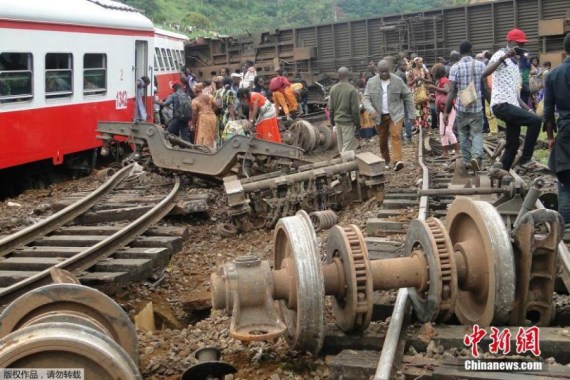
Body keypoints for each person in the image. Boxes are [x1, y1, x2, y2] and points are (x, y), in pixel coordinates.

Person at [483, 28, 542, 172]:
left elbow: (516, 95)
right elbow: (484, 73)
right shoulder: (500, 55)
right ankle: (526, 159)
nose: (520, 47)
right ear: (509, 42)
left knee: (513, 144)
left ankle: (502, 173)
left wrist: (529, 109)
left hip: (511, 104)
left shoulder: (517, 65)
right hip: (501, 104)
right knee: (535, 121)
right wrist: (504, 58)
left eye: (522, 44)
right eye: (518, 44)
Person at [364, 60, 416, 171]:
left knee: (395, 134)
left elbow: (408, 96)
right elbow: (366, 98)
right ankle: (386, 160)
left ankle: (397, 161)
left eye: (386, 71)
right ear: (377, 70)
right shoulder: (371, 82)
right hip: (379, 116)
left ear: (390, 70)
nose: (383, 74)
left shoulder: (397, 81)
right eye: (381, 72)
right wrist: (370, 109)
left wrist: (412, 114)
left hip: (395, 114)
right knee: (382, 139)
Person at [444, 40, 486, 171]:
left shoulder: (455, 67)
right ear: (471, 49)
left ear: (460, 52)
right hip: (477, 106)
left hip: (462, 107)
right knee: (477, 133)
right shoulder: (481, 65)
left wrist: (446, 111)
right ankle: (476, 157)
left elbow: (451, 91)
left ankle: (467, 161)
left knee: (463, 133)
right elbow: (486, 88)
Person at [545, 33, 570, 225]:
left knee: (565, 182)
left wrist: (550, 136)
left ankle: (566, 228)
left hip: (566, 131)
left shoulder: (553, 75)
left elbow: (548, 110)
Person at [328, 67, 361, 153]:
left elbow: (331, 108)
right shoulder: (352, 90)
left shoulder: (333, 89)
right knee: (347, 148)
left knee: (341, 145)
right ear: (348, 75)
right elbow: (355, 110)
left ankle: (342, 162)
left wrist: (332, 121)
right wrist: (357, 124)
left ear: (338, 76)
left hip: (337, 121)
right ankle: (345, 164)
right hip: (347, 122)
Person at [430, 63, 459, 158]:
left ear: (437, 72)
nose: (432, 73)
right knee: (442, 131)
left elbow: (447, 90)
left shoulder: (444, 80)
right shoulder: (438, 82)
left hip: (449, 109)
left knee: (448, 131)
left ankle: (457, 152)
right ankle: (445, 153)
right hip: (442, 110)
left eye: (433, 72)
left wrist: (433, 88)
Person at [407, 57, 432, 133]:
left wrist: (422, 79)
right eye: (420, 62)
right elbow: (408, 83)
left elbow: (430, 80)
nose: (422, 63)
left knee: (426, 110)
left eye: (422, 62)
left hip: (424, 93)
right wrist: (415, 80)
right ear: (416, 62)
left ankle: (428, 128)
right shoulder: (411, 72)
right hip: (416, 94)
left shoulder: (424, 70)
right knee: (417, 111)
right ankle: (419, 128)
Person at [192, 82, 219, 149]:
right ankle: (213, 148)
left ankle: (204, 150)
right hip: (212, 117)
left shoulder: (194, 101)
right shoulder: (210, 96)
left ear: (195, 91)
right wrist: (211, 111)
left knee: (203, 135)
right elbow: (217, 106)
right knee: (211, 134)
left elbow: (194, 114)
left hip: (203, 119)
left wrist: (193, 124)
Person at [395, 59, 412, 142]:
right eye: (404, 65)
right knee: (407, 117)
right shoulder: (402, 75)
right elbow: (405, 88)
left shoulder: (395, 74)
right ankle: (409, 137)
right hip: (403, 99)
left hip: (397, 99)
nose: (406, 66)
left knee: (399, 118)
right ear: (399, 66)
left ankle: (401, 137)